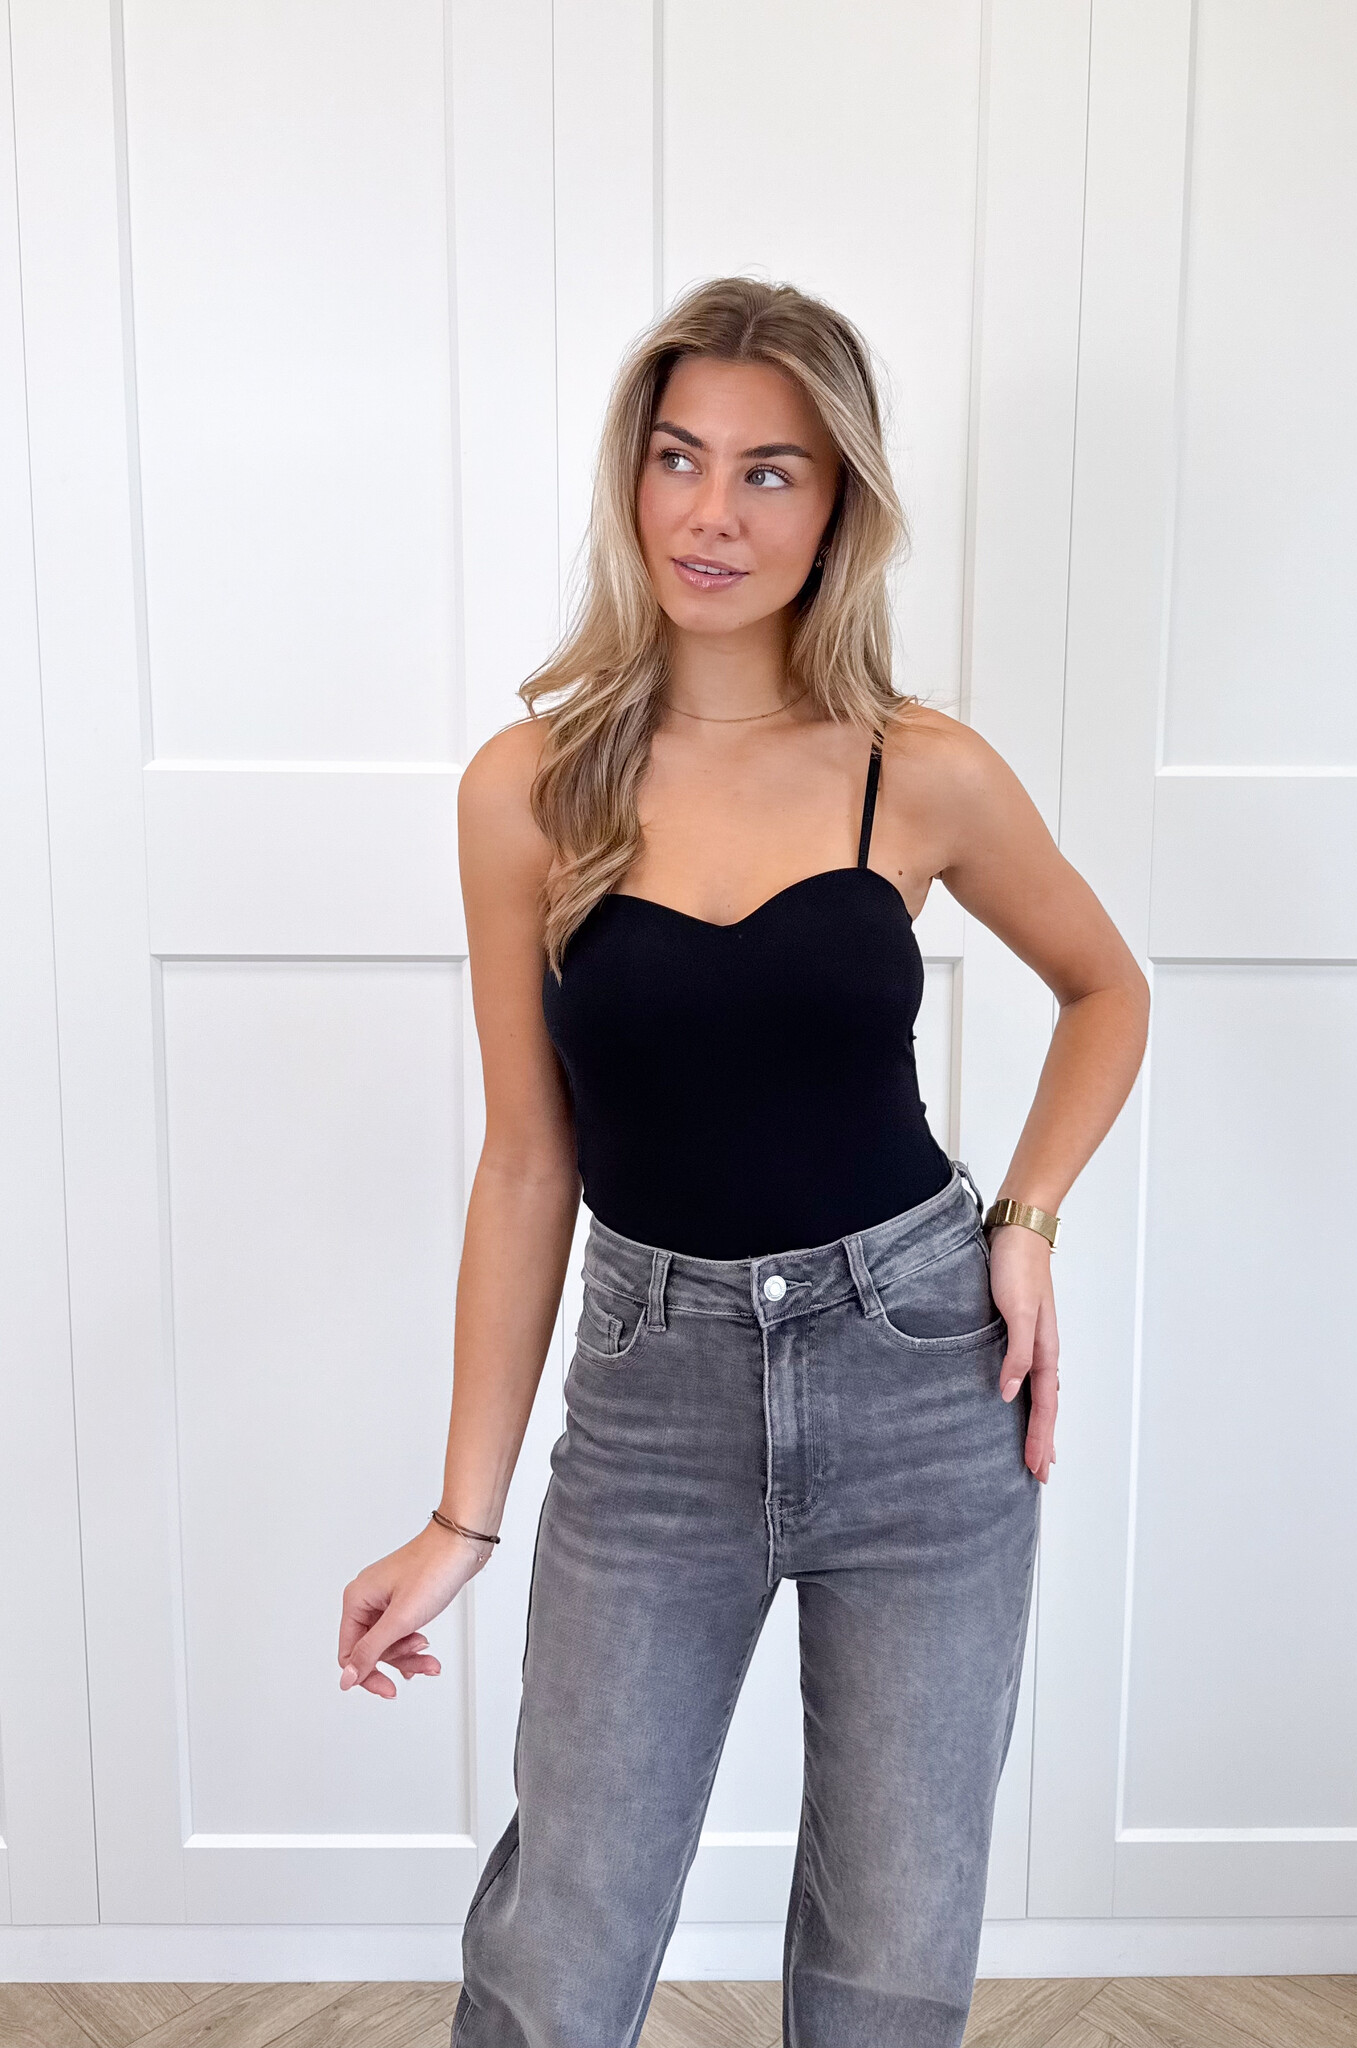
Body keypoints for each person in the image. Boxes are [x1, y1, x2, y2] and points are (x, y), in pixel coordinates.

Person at [338, 276, 1149, 2047]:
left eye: (770, 472)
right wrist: (462, 1516)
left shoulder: (921, 770)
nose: (713, 513)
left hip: (925, 1380)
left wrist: (1025, 1221)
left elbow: (1107, 990)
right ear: (631, 478)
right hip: (653, 1402)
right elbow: (528, 1162)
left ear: (840, 502)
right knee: (563, 1935)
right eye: (679, 458)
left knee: (892, 1948)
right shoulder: (529, 788)